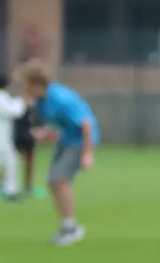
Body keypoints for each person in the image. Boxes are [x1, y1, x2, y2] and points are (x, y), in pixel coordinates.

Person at [16, 60, 98, 246]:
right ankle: (67, 225)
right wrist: (46, 133)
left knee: (60, 179)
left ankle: (71, 228)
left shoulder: (62, 98)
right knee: (53, 181)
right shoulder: (41, 100)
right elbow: (57, 124)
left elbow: (86, 124)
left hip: (79, 141)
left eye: (25, 83)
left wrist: (88, 153)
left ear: (34, 83)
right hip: (66, 139)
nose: (23, 87)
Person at [14, 101, 41, 198]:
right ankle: (4, 186)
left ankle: (28, 187)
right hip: (19, 139)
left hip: (28, 139)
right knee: (10, 162)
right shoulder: (17, 110)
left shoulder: (35, 111)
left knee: (29, 164)